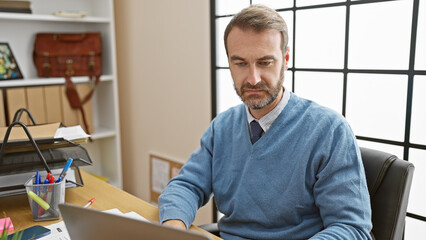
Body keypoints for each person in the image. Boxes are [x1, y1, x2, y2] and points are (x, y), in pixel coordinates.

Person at [159, 4, 372, 239]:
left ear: (286, 59)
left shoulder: (329, 131)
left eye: (265, 62)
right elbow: (186, 185)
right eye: (240, 63)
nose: (253, 78)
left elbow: (351, 227)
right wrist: (175, 227)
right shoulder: (222, 127)